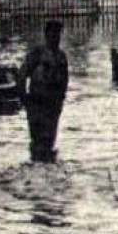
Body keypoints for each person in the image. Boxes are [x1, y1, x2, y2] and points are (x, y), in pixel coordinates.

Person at [20, 20, 70, 163]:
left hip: (53, 104)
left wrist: (61, 98)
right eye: (53, 34)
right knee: (37, 141)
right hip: (37, 102)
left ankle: (47, 169)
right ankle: (36, 168)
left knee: (50, 140)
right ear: (46, 35)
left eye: (58, 34)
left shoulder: (61, 56)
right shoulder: (37, 53)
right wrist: (24, 98)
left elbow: (65, 79)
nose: (56, 38)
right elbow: (22, 74)